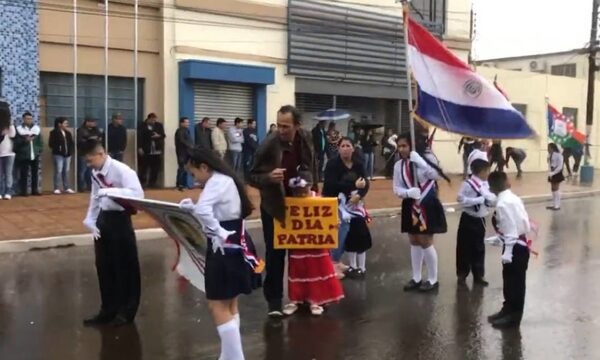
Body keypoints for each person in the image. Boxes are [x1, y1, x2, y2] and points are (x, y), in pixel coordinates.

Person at [178, 148, 262, 360]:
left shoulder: (216, 182)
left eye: (194, 173)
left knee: (217, 304)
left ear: (204, 167)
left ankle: (235, 358)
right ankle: (228, 355)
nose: (194, 178)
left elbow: (207, 211)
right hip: (235, 241)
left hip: (225, 245)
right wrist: (193, 209)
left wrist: (217, 230)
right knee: (230, 302)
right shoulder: (225, 179)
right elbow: (214, 210)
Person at [249, 105, 317, 317]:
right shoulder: (269, 143)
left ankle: (305, 297)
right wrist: (269, 177)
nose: (281, 130)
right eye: (279, 125)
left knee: (302, 253)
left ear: (298, 125)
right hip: (274, 205)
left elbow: (311, 165)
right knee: (275, 253)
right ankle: (275, 301)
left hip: (299, 203)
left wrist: (309, 184)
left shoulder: (305, 137)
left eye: (286, 126)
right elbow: (251, 175)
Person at [81, 139, 144, 327]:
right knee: (104, 266)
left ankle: (126, 312)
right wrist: (90, 219)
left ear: (101, 154)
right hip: (103, 220)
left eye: (90, 160)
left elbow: (138, 195)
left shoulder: (123, 171)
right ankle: (108, 310)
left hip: (120, 220)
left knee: (124, 267)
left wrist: (111, 191)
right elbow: (94, 196)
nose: (88, 164)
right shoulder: (95, 172)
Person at [393, 132, 450, 292]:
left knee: (425, 240)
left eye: (404, 145)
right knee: (414, 240)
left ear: (412, 145)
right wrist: (407, 193)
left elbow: (436, 175)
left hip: (427, 203)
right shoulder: (399, 165)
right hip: (410, 203)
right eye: (399, 146)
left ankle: (433, 279)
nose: (401, 149)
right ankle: (416, 277)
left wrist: (421, 162)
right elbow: (396, 188)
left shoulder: (426, 158)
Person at [322, 137, 372, 280]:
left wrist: (360, 194)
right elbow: (331, 185)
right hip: (334, 201)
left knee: (355, 232)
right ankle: (333, 262)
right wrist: (353, 186)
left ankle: (346, 263)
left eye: (348, 145)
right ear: (338, 149)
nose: (345, 148)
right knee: (340, 230)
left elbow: (365, 183)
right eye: (342, 146)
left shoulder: (358, 164)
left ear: (353, 148)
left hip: (354, 203)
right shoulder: (332, 164)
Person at [487, 171, 531, 329]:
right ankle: (507, 310)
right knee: (509, 281)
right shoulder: (512, 198)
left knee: (515, 283)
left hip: (515, 247)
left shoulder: (503, 203)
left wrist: (508, 251)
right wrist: (501, 240)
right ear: (507, 182)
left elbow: (511, 229)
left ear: (491, 188)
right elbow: (521, 223)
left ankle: (513, 317)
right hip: (517, 242)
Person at [456, 159, 495, 286]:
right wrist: (478, 200)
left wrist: (488, 200)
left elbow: (490, 198)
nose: (488, 173)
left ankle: (479, 275)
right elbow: (461, 199)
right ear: (481, 171)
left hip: (480, 219)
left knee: (479, 247)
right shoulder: (467, 184)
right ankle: (462, 273)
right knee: (464, 246)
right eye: (487, 171)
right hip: (468, 218)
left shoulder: (485, 184)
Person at [14, 112, 43, 196]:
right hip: (24, 155)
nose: (29, 120)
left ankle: (35, 190)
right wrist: (24, 141)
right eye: (27, 118)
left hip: (34, 154)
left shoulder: (36, 129)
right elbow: (17, 142)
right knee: (24, 174)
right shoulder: (19, 129)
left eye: (30, 118)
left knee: (35, 173)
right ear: (23, 119)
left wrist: (39, 150)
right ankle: (24, 191)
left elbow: (40, 141)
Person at [137, 113, 165, 188]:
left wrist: (158, 136)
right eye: (152, 120)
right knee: (144, 167)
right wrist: (139, 147)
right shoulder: (142, 126)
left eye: (155, 120)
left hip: (156, 149)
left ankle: (153, 183)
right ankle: (143, 183)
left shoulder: (159, 125)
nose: (154, 122)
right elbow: (139, 137)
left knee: (155, 167)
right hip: (146, 148)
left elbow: (163, 135)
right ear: (148, 119)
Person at [49, 117, 75, 194]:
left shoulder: (68, 133)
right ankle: (56, 188)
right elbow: (51, 144)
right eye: (65, 123)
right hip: (58, 155)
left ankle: (66, 187)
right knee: (58, 171)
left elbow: (71, 143)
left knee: (66, 171)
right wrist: (59, 148)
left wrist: (70, 151)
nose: (67, 125)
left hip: (67, 155)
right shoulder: (53, 133)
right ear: (59, 124)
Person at [77, 118, 103, 191]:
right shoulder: (81, 130)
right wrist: (89, 139)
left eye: (94, 122)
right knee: (82, 170)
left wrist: (95, 138)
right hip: (83, 152)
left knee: (90, 171)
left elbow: (100, 137)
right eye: (92, 122)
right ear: (87, 122)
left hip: (92, 152)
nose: (94, 123)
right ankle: (81, 187)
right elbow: (80, 141)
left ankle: (90, 186)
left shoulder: (96, 130)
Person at [0, 100, 15, 200]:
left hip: (9, 152)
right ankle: (1, 191)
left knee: (8, 173)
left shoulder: (9, 122)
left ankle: (8, 191)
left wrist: (10, 125)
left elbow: (13, 134)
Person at [175, 117, 194, 191]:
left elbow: (189, 140)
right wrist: (190, 145)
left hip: (187, 152)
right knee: (181, 168)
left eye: (188, 122)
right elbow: (182, 141)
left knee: (186, 168)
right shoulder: (179, 131)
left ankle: (185, 184)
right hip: (181, 153)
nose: (188, 124)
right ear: (181, 123)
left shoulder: (187, 130)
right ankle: (179, 185)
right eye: (186, 122)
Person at [547, 142, 564, 211]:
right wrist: (550, 173)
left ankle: (557, 205)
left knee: (556, 188)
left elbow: (560, 166)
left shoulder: (559, 155)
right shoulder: (550, 155)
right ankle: (554, 204)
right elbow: (549, 164)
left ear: (552, 148)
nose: (548, 149)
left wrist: (553, 173)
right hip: (551, 172)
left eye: (549, 148)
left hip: (557, 173)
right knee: (553, 189)